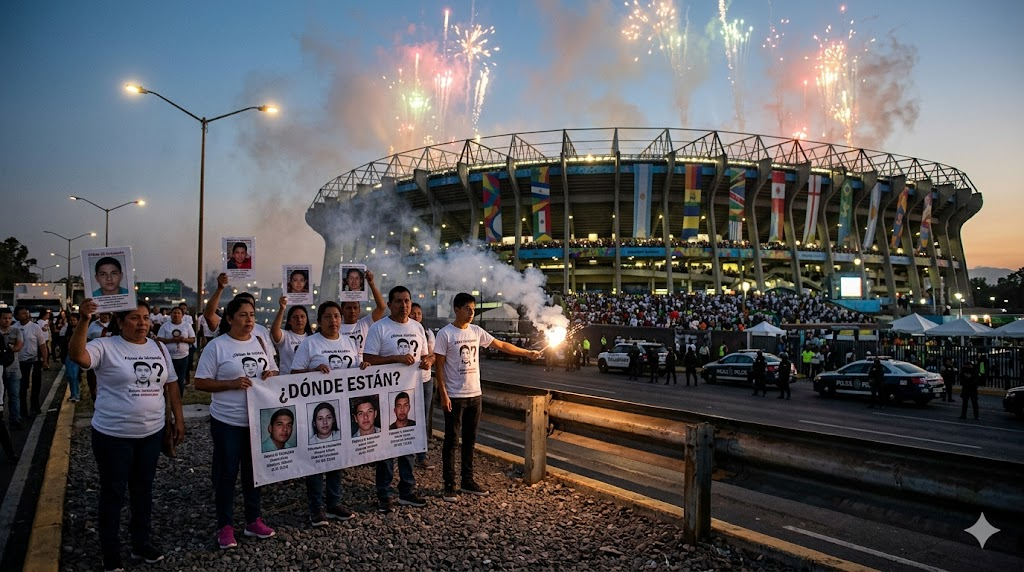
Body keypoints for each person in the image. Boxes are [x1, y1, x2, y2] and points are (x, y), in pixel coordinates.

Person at [69, 298, 185, 571]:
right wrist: (84, 320)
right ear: (120, 322)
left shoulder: (158, 347)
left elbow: (171, 385)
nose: (142, 323)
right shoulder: (105, 346)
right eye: (134, 318)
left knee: (142, 491)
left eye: (145, 318)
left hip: (151, 434)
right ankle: (110, 552)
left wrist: (178, 420)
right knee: (113, 492)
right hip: (113, 436)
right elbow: (78, 356)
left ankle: (139, 543)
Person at [434, 292, 540, 502]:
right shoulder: (445, 334)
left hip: (475, 395)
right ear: (456, 310)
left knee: (470, 441)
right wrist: (443, 393)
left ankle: (467, 481)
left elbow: (501, 345)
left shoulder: (476, 331)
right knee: (451, 441)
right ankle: (449, 484)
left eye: (473, 308)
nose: (472, 312)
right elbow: (439, 366)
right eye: (467, 308)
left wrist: (526, 353)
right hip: (454, 396)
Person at [194, 297, 278, 550]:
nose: (249, 320)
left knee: (255, 473)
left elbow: (274, 370)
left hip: (256, 420)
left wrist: (270, 375)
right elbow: (200, 382)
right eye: (243, 315)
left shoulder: (261, 342)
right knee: (227, 473)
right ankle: (225, 525)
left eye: (252, 315)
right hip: (228, 421)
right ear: (229, 319)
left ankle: (253, 520)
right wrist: (230, 384)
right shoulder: (217, 347)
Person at [363, 285, 433, 513]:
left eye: (407, 301)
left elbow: (425, 356)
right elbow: (368, 359)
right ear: (390, 305)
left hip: (412, 393)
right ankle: (383, 493)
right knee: (386, 445)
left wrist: (428, 362)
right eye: (399, 301)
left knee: (408, 441)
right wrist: (395, 359)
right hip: (385, 396)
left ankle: (407, 490)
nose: (404, 305)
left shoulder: (417, 327)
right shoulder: (379, 328)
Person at [289, 301, 360, 526]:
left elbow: (356, 372)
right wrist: (313, 372)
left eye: (337, 316)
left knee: (337, 456)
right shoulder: (310, 344)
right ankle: (315, 507)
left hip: (343, 409)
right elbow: (294, 373)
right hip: (317, 409)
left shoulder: (349, 342)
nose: (334, 321)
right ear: (319, 321)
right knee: (317, 458)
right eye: (328, 317)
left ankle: (334, 503)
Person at [409, 302, 435, 469]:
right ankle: (404, 453)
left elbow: (433, 355)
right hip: (407, 382)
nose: (416, 316)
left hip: (425, 380)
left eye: (419, 313)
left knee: (423, 419)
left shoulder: (427, 333)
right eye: (413, 313)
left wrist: (429, 360)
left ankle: (421, 455)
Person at [340, 269, 387, 359]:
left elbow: (382, 307)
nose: (352, 311)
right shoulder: (337, 328)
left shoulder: (365, 323)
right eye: (348, 308)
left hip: (365, 369)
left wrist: (372, 284)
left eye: (355, 308)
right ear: (342, 310)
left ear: (359, 310)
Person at [13, 305, 48, 418]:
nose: (26, 315)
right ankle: (23, 411)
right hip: (20, 362)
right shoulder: (14, 328)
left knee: (36, 386)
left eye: (26, 313)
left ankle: (35, 407)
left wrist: (45, 360)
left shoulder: (35, 327)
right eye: (22, 313)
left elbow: (42, 345)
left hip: (34, 361)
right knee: (22, 388)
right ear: (17, 316)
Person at [155, 307, 196, 398]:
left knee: (180, 379)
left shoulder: (187, 325)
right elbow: (159, 339)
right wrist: (171, 340)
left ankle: (178, 398)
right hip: (169, 357)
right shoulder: (165, 326)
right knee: (167, 379)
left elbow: (193, 339)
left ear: (182, 315)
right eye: (174, 313)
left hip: (183, 357)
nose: (176, 315)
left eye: (178, 313)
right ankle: (166, 398)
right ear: (171, 314)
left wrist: (184, 339)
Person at [270, 297, 312, 376]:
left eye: (302, 317)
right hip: (287, 381)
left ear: (306, 320)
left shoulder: (312, 338)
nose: (299, 320)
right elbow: (275, 331)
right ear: (289, 321)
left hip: (308, 381)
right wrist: (282, 309)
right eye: (295, 317)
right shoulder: (285, 336)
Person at [1, 308, 25, 429]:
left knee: (14, 395)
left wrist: (6, 350)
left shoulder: (16, 331)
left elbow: (19, 346)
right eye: (5, 318)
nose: (7, 320)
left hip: (13, 368)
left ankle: (15, 419)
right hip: (0, 369)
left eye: (10, 318)